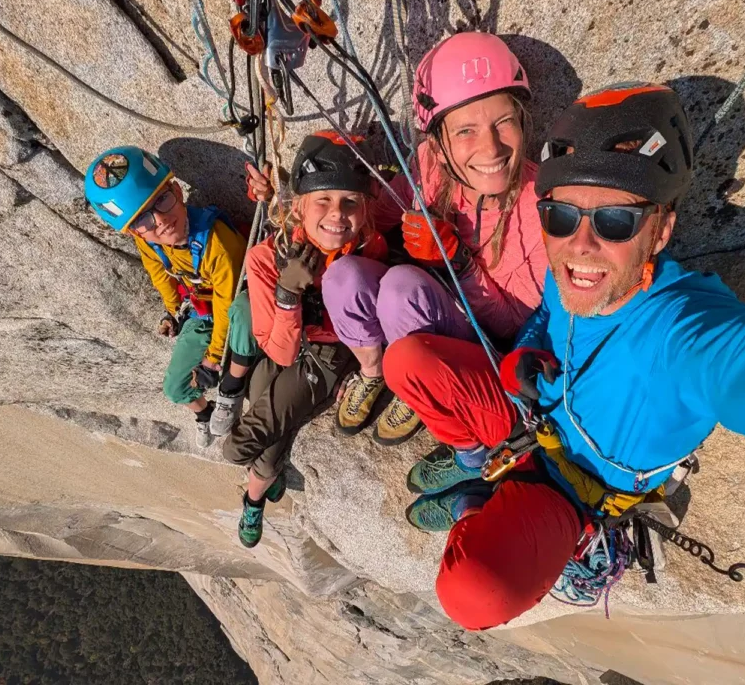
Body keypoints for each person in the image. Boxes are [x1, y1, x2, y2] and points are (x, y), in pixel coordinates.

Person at [382, 82, 745, 629]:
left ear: (661, 228)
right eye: (561, 216)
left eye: (616, 220)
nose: (580, 245)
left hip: (578, 496)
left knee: (475, 591)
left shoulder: (680, 335)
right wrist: (525, 347)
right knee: (406, 362)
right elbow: (550, 310)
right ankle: (477, 469)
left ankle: (470, 504)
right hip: (531, 427)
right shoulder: (570, 270)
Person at [246, 32, 549, 447]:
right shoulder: (427, 165)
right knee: (344, 276)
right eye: (465, 131)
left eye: (503, 122)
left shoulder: (538, 207)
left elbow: (515, 325)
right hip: (424, 308)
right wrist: (285, 205)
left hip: (475, 342)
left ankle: (414, 383)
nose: (491, 147)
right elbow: (372, 214)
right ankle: (373, 372)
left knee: (401, 288)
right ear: (438, 144)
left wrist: (458, 261)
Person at [223, 131, 388, 548]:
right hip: (288, 342)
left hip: (328, 354)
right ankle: (256, 498)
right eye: (324, 201)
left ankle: (257, 491)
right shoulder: (267, 257)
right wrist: (287, 295)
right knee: (266, 427)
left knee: (250, 440)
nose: (338, 214)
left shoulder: (369, 245)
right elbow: (278, 348)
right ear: (299, 205)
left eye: (351, 202)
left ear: (366, 208)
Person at [84, 146, 254, 449]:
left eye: (162, 200)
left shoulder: (217, 242)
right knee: (175, 388)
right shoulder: (150, 244)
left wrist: (213, 360)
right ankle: (205, 413)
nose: (160, 221)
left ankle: (230, 393)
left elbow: (229, 301)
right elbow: (160, 275)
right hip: (203, 316)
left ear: (176, 190)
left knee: (243, 312)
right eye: (143, 220)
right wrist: (173, 312)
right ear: (134, 233)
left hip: (236, 316)